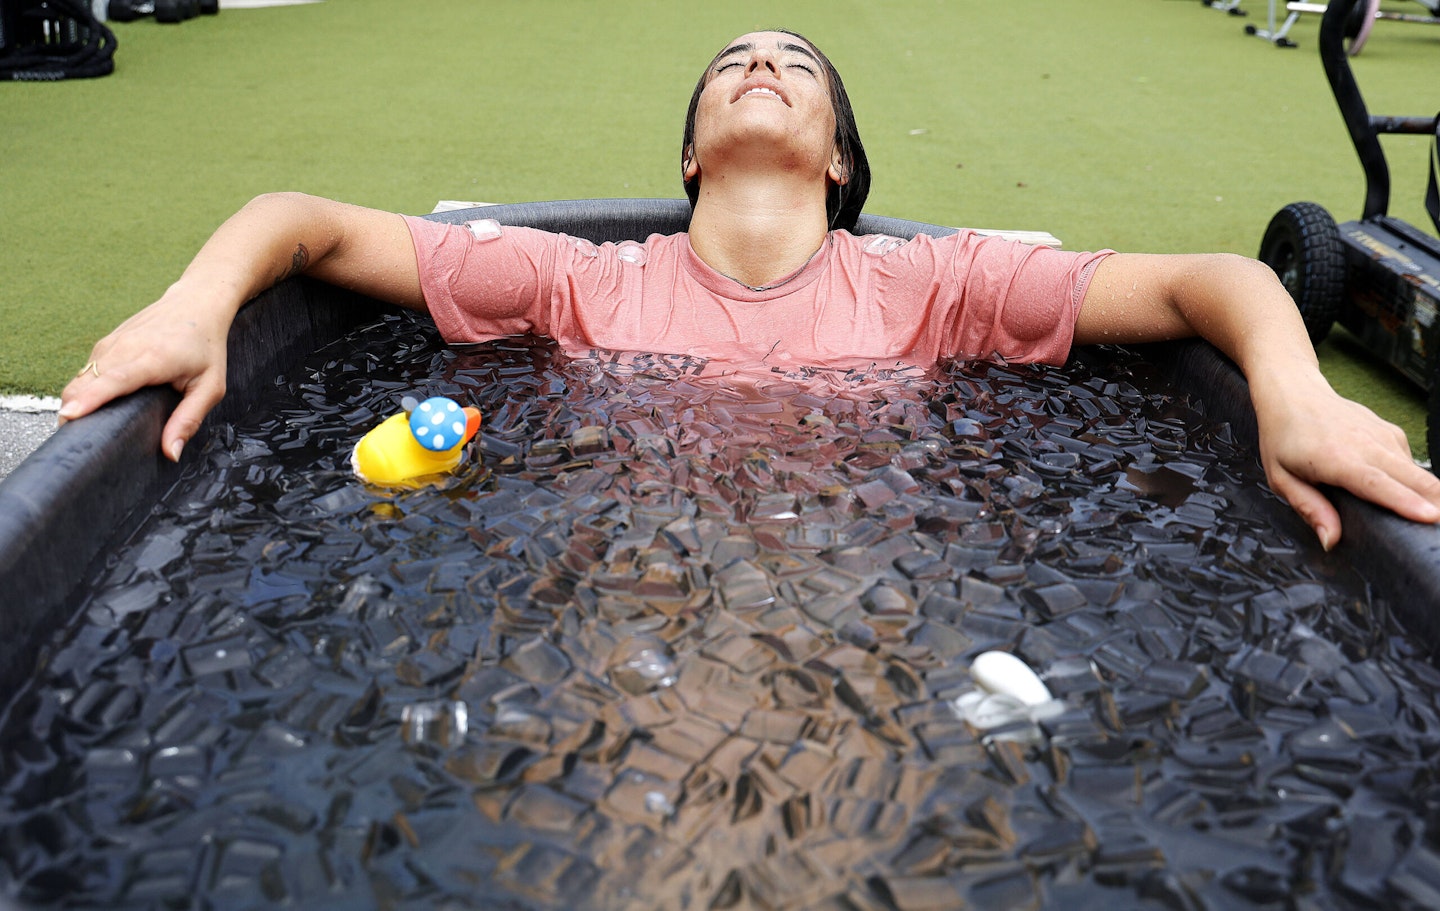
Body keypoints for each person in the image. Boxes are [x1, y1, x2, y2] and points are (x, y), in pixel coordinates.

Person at [58, 29, 1440, 551]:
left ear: (837, 154)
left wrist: (1295, 394)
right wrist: (194, 308)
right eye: (732, 59)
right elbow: (294, 219)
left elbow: (1215, 283)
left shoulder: (939, 285)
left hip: (863, 577)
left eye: (796, 60)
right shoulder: (577, 282)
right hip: (633, 585)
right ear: (688, 148)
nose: (761, 60)